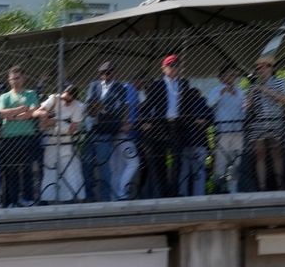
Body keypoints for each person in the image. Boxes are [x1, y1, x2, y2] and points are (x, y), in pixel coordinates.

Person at [140, 54, 212, 198]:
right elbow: (147, 105)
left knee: (177, 160)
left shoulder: (183, 84)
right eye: (171, 66)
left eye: (176, 65)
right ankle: (161, 192)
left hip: (178, 126)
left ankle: (174, 192)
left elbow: (188, 106)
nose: (174, 68)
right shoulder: (157, 84)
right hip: (160, 126)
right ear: (164, 68)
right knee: (160, 161)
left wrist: (195, 119)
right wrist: (144, 122)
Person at [82, 63, 136, 201]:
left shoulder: (120, 89)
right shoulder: (94, 85)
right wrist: (100, 108)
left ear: (114, 73)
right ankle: (90, 197)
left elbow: (116, 110)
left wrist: (100, 108)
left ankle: (105, 198)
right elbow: (89, 105)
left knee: (103, 164)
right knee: (86, 164)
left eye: (108, 72)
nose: (105, 75)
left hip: (105, 130)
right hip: (91, 129)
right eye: (103, 73)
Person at [0, 65, 44, 208]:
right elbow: (2, 113)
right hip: (9, 138)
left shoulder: (31, 94)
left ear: (24, 78)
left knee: (28, 169)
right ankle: (12, 200)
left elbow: (33, 112)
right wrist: (20, 111)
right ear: (9, 80)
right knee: (11, 171)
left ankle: (28, 198)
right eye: (12, 79)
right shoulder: (4, 96)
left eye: (18, 78)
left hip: (27, 136)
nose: (15, 81)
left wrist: (13, 116)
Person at [246, 56, 285, 192]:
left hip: (275, 121)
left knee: (276, 153)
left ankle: (280, 184)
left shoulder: (279, 82)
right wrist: (252, 91)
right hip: (258, 123)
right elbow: (248, 106)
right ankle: (262, 186)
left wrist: (265, 90)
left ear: (270, 68)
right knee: (259, 154)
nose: (260, 70)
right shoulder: (254, 85)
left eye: (263, 67)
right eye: (258, 68)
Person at [209, 68, 246, 193]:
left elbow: (244, 111)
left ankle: (233, 190)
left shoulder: (240, 92)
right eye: (229, 75)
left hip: (238, 131)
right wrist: (221, 92)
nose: (232, 77)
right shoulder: (215, 90)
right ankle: (218, 188)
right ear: (221, 78)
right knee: (221, 162)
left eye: (234, 75)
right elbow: (210, 104)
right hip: (223, 131)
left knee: (236, 162)